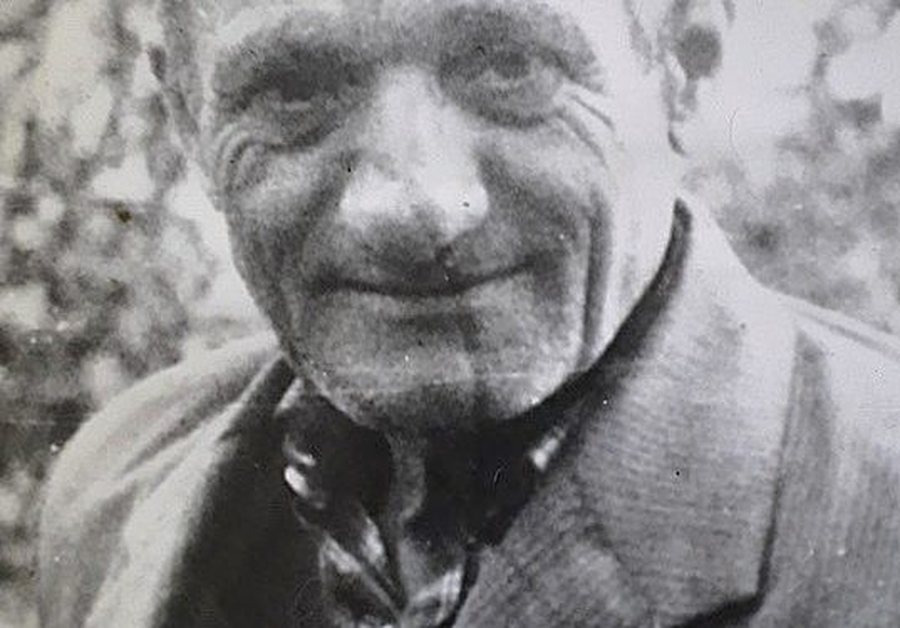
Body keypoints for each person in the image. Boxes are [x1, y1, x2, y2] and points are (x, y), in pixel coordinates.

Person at [37, 0, 900, 626]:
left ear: (684, 67)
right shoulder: (121, 484)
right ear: (187, 115)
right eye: (294, 90)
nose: (411, 203)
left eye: (510, 67)